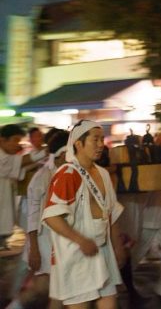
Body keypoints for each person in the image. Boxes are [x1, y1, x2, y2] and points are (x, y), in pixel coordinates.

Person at [42, 120, 126, 308]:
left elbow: (111, 212)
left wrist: (117, 245)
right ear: (78, 144)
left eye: (102, 139)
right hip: (77, 254)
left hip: (102, 252)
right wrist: (81, 241)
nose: (100, 144)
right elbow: (51, 216)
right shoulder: (68, 174)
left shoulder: (103, 173)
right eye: (95, 139)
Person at [9, 130, 69, 309]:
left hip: (61, 241)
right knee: (43, 289)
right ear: (61, 154)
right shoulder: (42, 177)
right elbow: (33, 217)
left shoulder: (69, 173)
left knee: (56, 290)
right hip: (44, 241)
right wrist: (34, 248)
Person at [0, 124, 47, 250]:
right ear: (2, 140)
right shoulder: (3, 157)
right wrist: (45, 152)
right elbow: (21, 162)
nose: (17, 144)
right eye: (15, 140)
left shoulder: (7, 156)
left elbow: (21, 167)